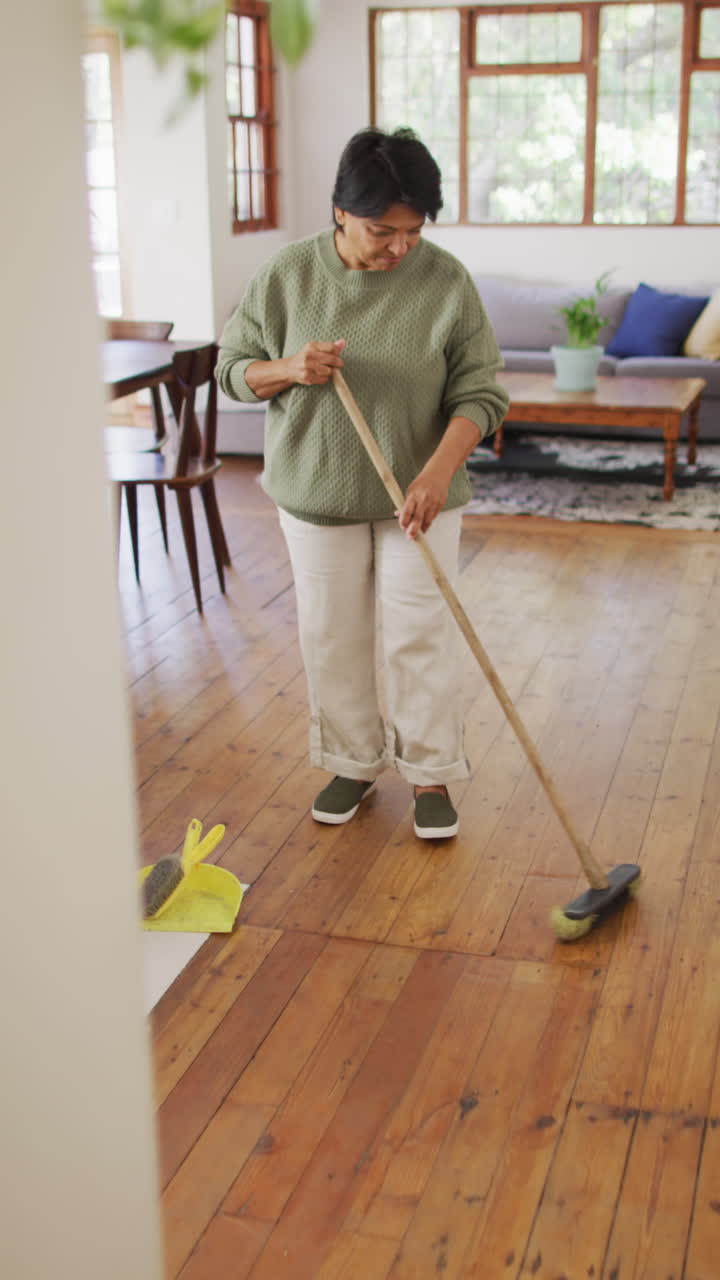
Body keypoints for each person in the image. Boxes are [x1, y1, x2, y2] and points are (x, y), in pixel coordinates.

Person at [216, 127, 509, 839]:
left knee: (420, 634)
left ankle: (431, 773)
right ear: (341, 212)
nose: (401, 246)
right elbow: (232, 370)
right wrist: (289, 368)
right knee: (333, 634)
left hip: (421, 497)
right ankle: (351, 761)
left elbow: (482, 393)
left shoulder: (444, 281)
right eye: (384, 229)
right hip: (318, 495)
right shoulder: (287, 275)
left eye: (414, 230)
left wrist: (438, 473)